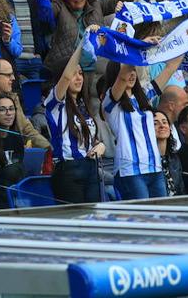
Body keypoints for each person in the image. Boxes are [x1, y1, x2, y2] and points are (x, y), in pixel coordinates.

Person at [100, 50, 181, 201]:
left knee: (161, 216)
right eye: (128, 70)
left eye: (134, 71)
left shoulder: (144, 96)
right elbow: (123, 76)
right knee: (142, 218)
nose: (131, 74)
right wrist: (137, 48)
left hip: (155, 168)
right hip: (130, 172)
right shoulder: (110, 102)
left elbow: (170, 68)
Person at [45, 27, 104, 204]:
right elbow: (65, 77)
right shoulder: (54, 102)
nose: (78, 78)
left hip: (90, 167)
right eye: (74, 74)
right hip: (68, 170)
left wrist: (100, 147)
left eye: (81, 74)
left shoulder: (83, 105)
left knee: (95, 221)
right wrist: (82, 43)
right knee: (77, 224)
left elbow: (92, 139)